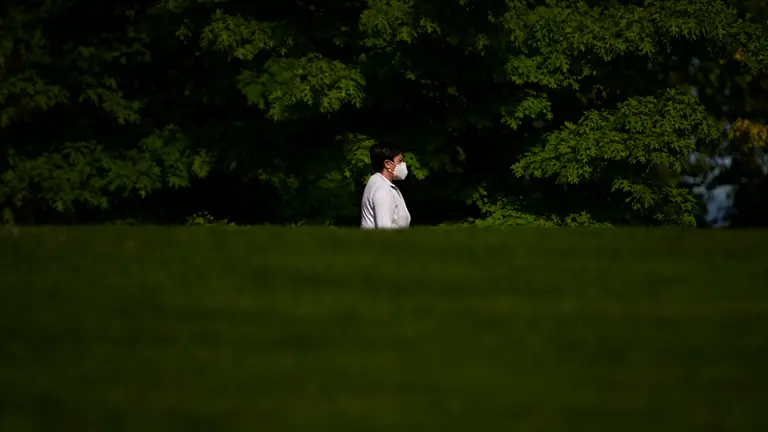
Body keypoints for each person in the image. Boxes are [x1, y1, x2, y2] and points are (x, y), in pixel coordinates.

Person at [360, 142, 411, 229]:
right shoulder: (383, 191)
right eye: (400, 161)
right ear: (387, 164)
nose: (403, 164)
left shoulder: (376, 182)